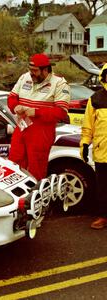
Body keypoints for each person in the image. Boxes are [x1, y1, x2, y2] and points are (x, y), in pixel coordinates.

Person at [7, 53, 70, 180]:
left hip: (42, 132)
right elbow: (11, 97)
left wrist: (36, 112)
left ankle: (34, 197)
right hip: (22, 127)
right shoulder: (25, 77)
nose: (31, 73)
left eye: (35, 71)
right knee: (14, 165)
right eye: (30, 70)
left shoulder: (59, 83)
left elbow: (61, 112)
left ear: (45, 70)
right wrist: (15, 107)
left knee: (37, 169)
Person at [80, 63, 107, 229]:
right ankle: (103, 216)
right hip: (101, 152)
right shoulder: (95, 99)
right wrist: (84, 144)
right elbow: (88, 125)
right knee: (103, 188)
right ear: (104, 77)